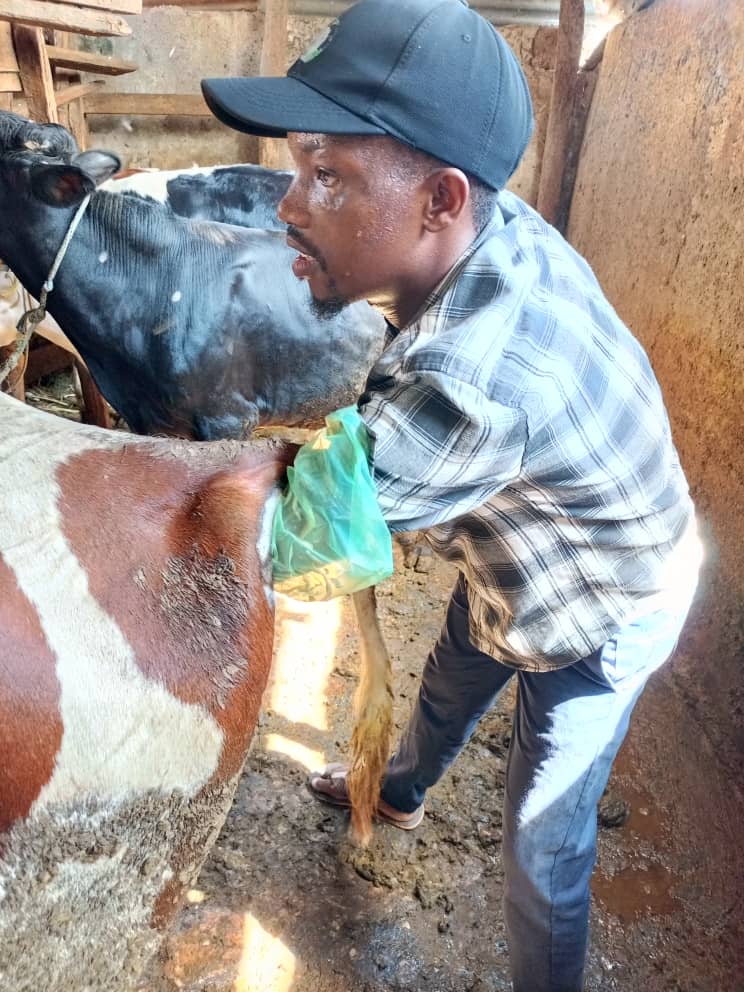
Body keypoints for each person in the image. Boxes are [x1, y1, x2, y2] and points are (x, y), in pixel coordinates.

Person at [201, 1, 701, 989]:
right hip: (521, 552)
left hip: (602, 608)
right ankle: (397, 790)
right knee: (451, 674)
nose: (288, 205)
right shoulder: (493, 222)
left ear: (439, 201)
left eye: (328, 176)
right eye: (301, 165)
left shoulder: (464, 387)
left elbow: (307, 550)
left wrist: (217, 475)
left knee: (542, 845)